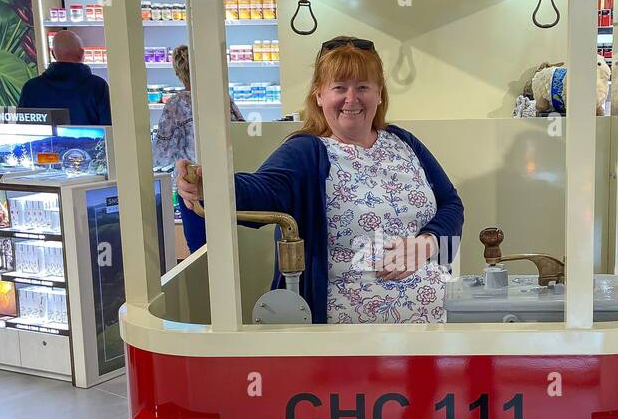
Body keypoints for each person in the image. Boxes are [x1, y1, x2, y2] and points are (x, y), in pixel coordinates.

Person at [175, 38, 463, 323]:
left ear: (379, 94)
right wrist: (209, 185)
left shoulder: (404, 142)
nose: (351, 99)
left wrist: (429, 243)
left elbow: (451, 204)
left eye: (363, 87)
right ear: (319, 95)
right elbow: (263, 190)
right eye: (339, 87)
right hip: (350, 343)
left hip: (439, 329)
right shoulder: (307, 151)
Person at [152, 43, 244, 254]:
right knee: (228, 248)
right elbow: (242, 133)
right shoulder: (222, 99)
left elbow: (161, 156)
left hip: (192, 184)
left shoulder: (174, 105)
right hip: (226, 181)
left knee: (201, 251)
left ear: (178, 72)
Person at [18, 30, 111, 125]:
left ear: (53, 54)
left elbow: (23, 129)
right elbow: (109, 129)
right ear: (82, 53)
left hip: (45, 140)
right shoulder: (98, 86)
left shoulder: (31, 88)